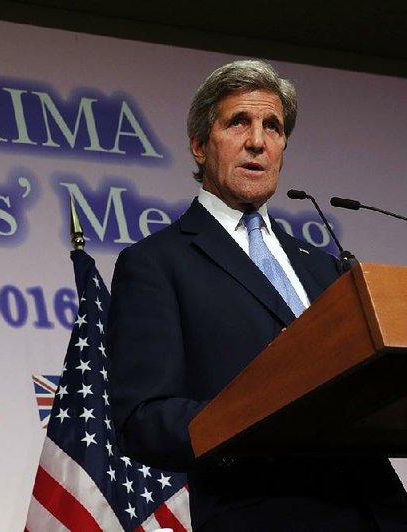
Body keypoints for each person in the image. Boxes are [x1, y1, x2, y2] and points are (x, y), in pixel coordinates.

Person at [107, 59, 407, 531]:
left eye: (273, 126)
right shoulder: (156, 264)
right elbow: (144, 420)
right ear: (200, 145)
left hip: (379, 513)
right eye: (238, 123)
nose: (258, 141)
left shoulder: (320, 262)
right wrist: (252, 413)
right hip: (264, 513)